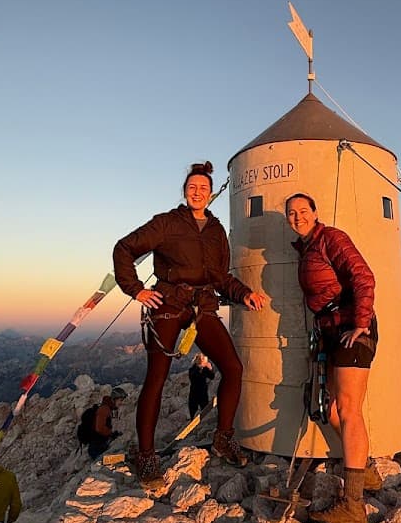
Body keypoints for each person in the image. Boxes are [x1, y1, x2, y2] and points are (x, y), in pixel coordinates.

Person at [113, 161, 266, 490]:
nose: (198, 192)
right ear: (185, 192)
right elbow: (124, 248)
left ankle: (224, 438)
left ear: (210, 194)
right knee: (157, 377)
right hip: (168, 302)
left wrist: (244, 293)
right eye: (192, 187)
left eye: (203, 188)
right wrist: (136, 289)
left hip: (203, 305)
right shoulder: (167, 223)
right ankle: (146, 456)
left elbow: (220, 277)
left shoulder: (215, 231)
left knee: (233, 368)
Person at [285, 192, 382, 523]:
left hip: (349, 325)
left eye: (303, 210)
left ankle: (353, 506)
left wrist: (361, 323)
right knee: (334, 409)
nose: (297, 217)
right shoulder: (307, 248)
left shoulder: (331, 239)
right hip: (330, 329)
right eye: (291, 213)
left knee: (349, 409)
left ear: (315, 212)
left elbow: (363, 277)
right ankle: (364, 471)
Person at [85, 385, 126, 459]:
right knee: (117, 459)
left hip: (99, 444)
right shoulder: (104, 409)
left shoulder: (107, 408)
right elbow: (99, 428)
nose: (121, 403)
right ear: (114, 399)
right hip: (96, 447)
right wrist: (110, 433)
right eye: (120, 400)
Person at [187, 354, 215, 420]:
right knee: (193, 410)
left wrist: (210, 369)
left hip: (203, 392)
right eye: (205, 361)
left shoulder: (205, 369)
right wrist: (200, 368)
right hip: (194, 392)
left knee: (205, 409)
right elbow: (193, 377)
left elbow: (212, 377)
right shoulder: (192, 369)